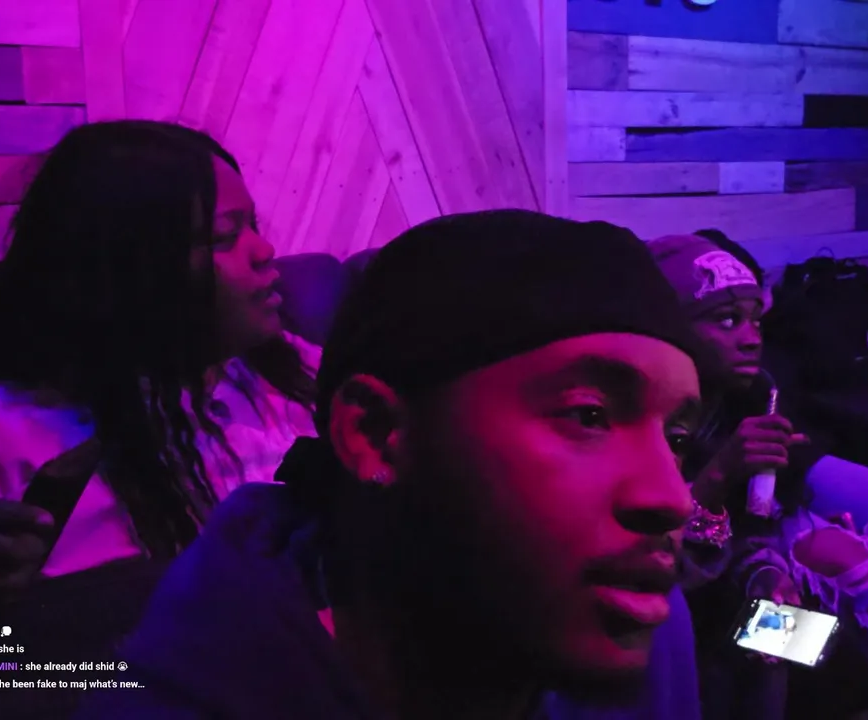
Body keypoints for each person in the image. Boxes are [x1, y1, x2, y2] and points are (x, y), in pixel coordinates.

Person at [76, 210, 706, 719]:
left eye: (677, 439)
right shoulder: (180, 693)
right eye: (588, 415)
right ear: (375, 435)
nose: (673, 497)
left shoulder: (643, 619)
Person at [0, 121, 318, 617]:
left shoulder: (286, 370)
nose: (264, 251)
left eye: (253, 226)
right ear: (126, 268)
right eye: (225, 236)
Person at [651, 232, 868, 720]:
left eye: (756, 319)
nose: (752, 337)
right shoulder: (651, 420)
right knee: (789, 628)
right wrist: (721, 476)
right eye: (728, 320)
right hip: (688, 609)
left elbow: (753, 525)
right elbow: (664, 564)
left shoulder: (746, 394)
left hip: (733, 579)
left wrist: (766, 568)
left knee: (832, 607)